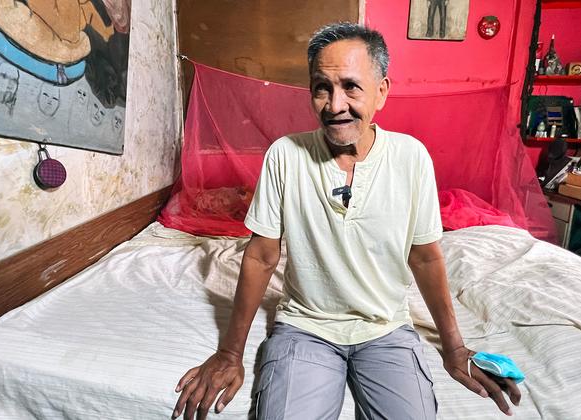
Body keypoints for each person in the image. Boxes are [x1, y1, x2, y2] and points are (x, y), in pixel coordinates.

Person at [171, 22, 521, 420]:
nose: (335, 104)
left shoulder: (411, 158)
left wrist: (455, 349)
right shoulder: (285, 155)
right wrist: (230, 353)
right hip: (305, 328)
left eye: (351, 87)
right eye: (322, 87)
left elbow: (424, 258)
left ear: (382, 92)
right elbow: (260, 256)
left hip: (386, 329)